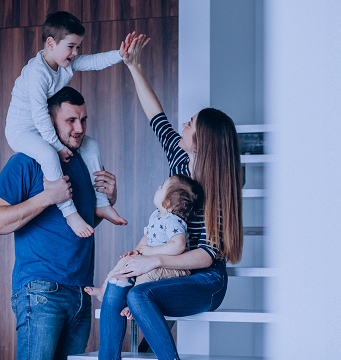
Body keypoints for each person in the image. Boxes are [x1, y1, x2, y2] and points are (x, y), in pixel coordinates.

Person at [97, 35, 244, 360]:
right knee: (117, 284)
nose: (184, 123)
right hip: (169, 272)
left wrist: (155, 259)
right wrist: (133, 66)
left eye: (191, 124)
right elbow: (156, 117)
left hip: (205, 280)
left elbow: (207, 255)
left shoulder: (219, 190)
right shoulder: (180, 161)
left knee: (140, 297)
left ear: (202, 141)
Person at [0, 86, 120, 360]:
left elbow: (77, 225)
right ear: (50, 120)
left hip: (81, 293)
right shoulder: (25, 162)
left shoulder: (82, 162)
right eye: (70, 120)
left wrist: (107, 203)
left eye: (83, 120)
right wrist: (47, 197)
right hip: (42, 291)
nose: (79, 128)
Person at [5, 10, 133, 238]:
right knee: (47, 155)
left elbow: (94, 61)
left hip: (42, 126)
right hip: (23, 130)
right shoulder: (37, 73)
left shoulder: (64, 64)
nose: (75, 53)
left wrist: (120, 54)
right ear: (51, 43)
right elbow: (40, 115)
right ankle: (69, 212)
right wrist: (57, 146)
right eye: (71, 47)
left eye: (78, 48)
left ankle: (101, 203)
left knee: (91, 145)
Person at [85, 174, 203, 302]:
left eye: (162, 187)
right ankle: (104, 289)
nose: (158, 187)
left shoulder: (173, 221)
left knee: (145, 278)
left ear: (168, 203)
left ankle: (134, 304)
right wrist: (137, 251)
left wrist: (152, 251)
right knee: (124, 263)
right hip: (153, 260)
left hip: (172, 267)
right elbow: (148, 237)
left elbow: (178, 245)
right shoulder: (156, 216)